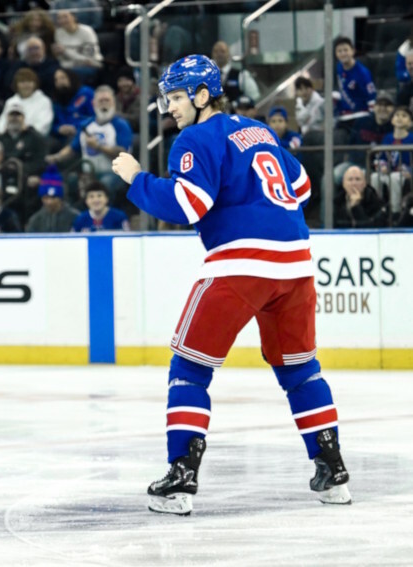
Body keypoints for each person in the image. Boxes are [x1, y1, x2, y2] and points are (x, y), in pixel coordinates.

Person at [111, 54, 351, 516]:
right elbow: (301, 187)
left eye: (177, 97)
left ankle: (181, 478)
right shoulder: (261, 131)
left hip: (241, 263)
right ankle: (332, 470)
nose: (170, 108)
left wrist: (136, 179)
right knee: (301, 370)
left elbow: (188, 204)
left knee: (190, 368)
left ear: (203, 95)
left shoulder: (195, 137)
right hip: (296, 265)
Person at [333, 36, 376, 134]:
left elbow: (371, 98)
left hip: (360, 116)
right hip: (343, 117)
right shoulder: (338, 67)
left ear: (353, 51)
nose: (343, 54)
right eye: (339, 51)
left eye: (345, 50)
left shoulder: (363, 73)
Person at [0, 67, 53, 137]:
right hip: (11, 139)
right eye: (22, 82)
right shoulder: (10, 102)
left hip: (34, 139)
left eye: (29, 81)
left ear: (35, 84)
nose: (26, 85)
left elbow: (44, 125)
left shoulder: (44, 101)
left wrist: (25, 134)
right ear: (16, 85)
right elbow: (1, 124)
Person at [52, 10, 102, 83]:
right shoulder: (58, 33)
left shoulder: (87, 31)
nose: (62, 20)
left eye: (65, 17)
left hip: (90, 65)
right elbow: (61, 58)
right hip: (68, 65)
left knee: (71, 75)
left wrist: (65, 51)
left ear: (74, 17)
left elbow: (90, 56)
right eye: (59, 18)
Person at [25, 165, 78, 232]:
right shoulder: (36, 220)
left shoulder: (75, 217)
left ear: (60, 198)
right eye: (45, 198)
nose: (49, 202)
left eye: (53, 198)